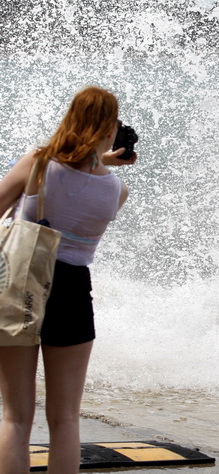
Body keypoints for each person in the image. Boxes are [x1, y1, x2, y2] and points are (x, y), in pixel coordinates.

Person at [0, 86, 136, 473]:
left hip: (19, 284)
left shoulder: (38, 164)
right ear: (109, 129)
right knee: (65, 419)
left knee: (16, 418)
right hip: (73, 293)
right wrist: (103, 160)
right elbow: (82, 183)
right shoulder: (116, 190)